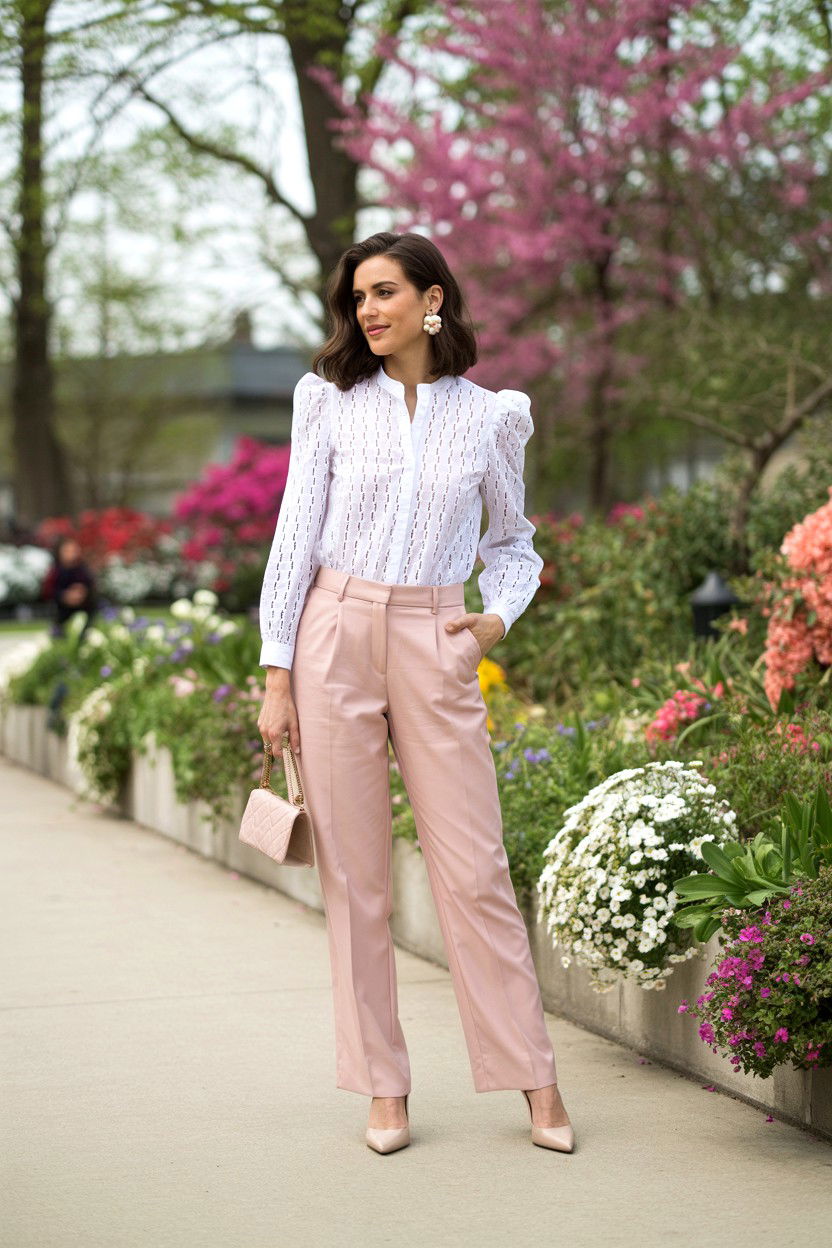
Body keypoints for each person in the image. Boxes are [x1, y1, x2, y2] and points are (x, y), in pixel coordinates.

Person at [257, 230, 574, 1155]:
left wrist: (496, 619)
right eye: (358, 297)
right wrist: (277, 673)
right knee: (355, 880)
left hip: (437, 635)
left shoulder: (490, 416)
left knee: (474, 870)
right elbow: (293, 537)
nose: (369, 311)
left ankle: (535, 1078)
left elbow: (513, 541)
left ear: (433, 299)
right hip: (333, 632)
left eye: (386, 292)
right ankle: (382, 1088)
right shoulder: (327, 403)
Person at [49, 537, 97, 639]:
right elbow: (49, 591)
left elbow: (91, 587)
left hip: (84, 611)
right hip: (63, 612)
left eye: (73, 550)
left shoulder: (82, 570)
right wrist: (64, 596)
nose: (71, 554)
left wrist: (81, 592)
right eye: (67, 551)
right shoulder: (55, 571)